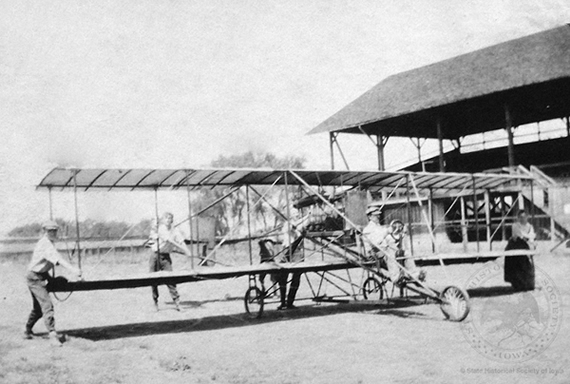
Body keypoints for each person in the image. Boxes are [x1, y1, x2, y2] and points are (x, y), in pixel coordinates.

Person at [24, 220, 82, 346]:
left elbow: (47, 265)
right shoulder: (45, 244)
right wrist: (74, 270)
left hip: (42, 275)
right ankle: (52, 336)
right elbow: (59, 260)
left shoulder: (49, 243)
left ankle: (26, 330)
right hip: (34, 277)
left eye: (55, 230)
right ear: (45, 231)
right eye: (50, 230)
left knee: (39, 309)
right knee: (47, 305)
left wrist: (51, 279)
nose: (53, 233)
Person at [148, 212, 190, 311]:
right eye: (166, 218)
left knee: (171, 279)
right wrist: (183, 250)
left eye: (170, 218)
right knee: (153, 280)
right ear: (163, 220)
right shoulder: (161, 229)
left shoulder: (175, 230)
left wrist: (188, 251)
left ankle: (177, 303)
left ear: (172, 220)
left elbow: (181, 241)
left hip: (166, 257)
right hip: (155, 255)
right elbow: (170, 241)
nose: (168, 220)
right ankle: (155, 302)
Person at [361, 206, 401, 282]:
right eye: (375, 215)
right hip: (374, 253)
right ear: (370, 217)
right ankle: (395, 278)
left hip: (382, 250)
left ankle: (415, 274)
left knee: (405, 252)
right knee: (390, 253)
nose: (378, 217)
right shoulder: (368, 229)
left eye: (378, 215)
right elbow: (375, 242)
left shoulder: (379, 227)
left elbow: (388, 237)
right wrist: (386, 232)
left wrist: (397, 232)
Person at [504, 210, 536, 291]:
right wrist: (528, 237)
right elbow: (520, 234)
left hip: (524, 246)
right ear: (518, 218)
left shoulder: (530, 226)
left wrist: (530, 239)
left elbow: (531, 237)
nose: (522, 219)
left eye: (524, 217)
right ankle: (517, 284)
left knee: (526, 265)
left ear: (527, 217)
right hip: (514, 246)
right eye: (520, 217)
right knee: (515, 266)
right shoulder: (515, 225)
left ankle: (527, 284)